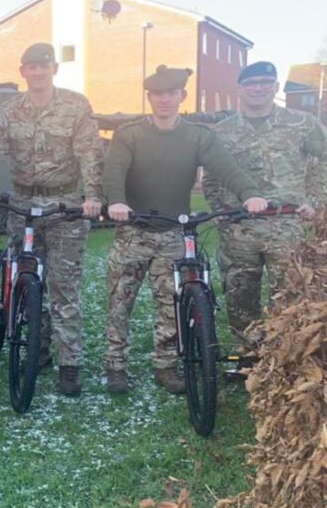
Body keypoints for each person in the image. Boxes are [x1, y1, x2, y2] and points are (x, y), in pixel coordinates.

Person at [102, 65, 267, 394]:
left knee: (170, 304)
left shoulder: (198, 136)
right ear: (149, 97)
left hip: (174, 233)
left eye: (171, 93)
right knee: (119, 300)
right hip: (133, 230)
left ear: (182, 96)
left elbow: (226, 167)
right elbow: (114, 170)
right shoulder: (129, 134)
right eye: (157, 94)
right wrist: (117, 201)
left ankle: (165, 366)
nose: (164, 99)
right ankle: (115, 365)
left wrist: (250, 193)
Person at [0, 43, 103, 396]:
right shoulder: (9, 110)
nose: (37, 72)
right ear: (23, 72)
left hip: (65, 205)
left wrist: (93, 195)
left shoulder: (75, 105)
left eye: (43, 66)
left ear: (53, 70)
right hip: (22, 205)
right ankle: (38, 349)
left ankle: (70, 364)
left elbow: (89, 152)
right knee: (27, 282)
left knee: (64, 288)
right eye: (30, 67)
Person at [204, 61, 327, 355]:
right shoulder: (222, 131)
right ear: (240, 89)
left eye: (264, 82)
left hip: (287, 225)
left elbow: (324, 159)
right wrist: (220, 209)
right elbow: (211, 175)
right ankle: (249, 358)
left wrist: (316, 201)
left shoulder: (303, 123)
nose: (257, 88)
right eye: (250, 83)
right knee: (239, 296)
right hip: (239, 227)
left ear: (274, 87)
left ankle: (287, 359)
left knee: (291, 297)